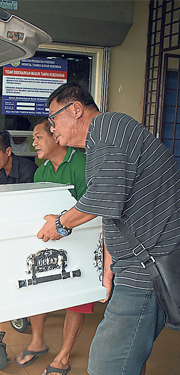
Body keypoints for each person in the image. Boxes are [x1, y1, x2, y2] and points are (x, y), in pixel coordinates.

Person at [37, 81, 180, 375]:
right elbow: (117, 211)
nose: (52, 129)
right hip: (140, 263)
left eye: (54, 119)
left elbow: (103, 198)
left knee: (108, 364)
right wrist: (109, 267)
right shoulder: (102, 140)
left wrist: (61, 225)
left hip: (146, 270)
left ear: (76, 109)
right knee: (128, 360)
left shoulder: (108, 129)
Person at [14, 118, 92, 375]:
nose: (33, 142)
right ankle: (37, 341)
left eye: (38, 137)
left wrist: (64, 223)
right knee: (37, 286)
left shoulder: (82, 163)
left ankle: (64, 356)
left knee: (77, 298)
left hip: (83, 238)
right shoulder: (41, 171)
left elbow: (90, 208)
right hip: (52, 241)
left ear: (55, 136)